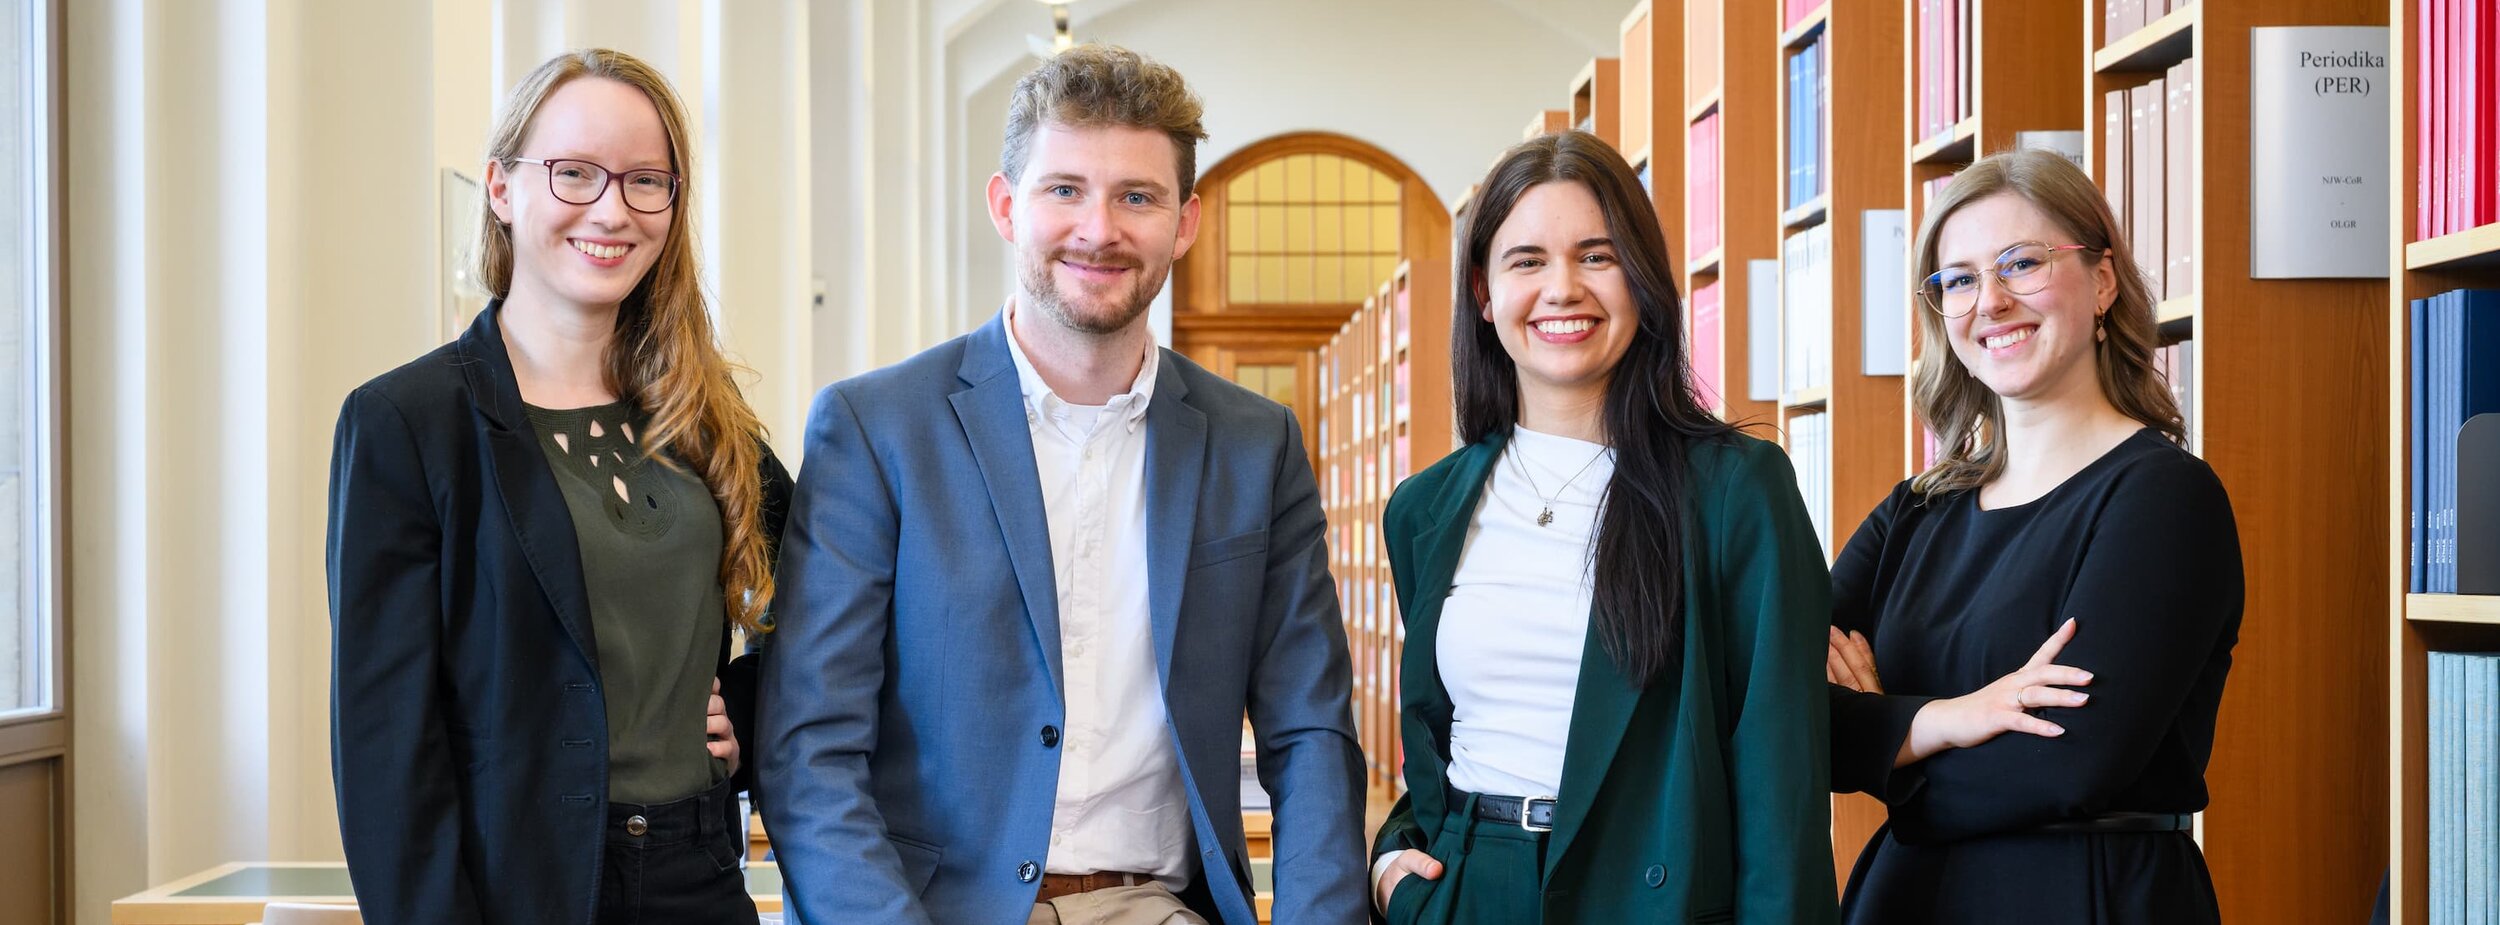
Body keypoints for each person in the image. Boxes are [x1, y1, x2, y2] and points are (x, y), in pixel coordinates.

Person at [754, 44, 1368, 925]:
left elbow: (1310, 730)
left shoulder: (1255, 444)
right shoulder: (877, 429)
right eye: (1065, 189)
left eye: (1138, 197)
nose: (1099, 228)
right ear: (1007, 207)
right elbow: (809, 745)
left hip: (1155, 905)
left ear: (1185, 222)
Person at [327, 48, 787, 925]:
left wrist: (756, 717)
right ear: (502, 188)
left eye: (646, 180)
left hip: (700, 877)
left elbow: (833, 588)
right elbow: (387, 751)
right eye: (574, 173)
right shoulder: (408, 421)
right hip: (524, 890)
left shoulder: (701, 412)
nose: (612, 209)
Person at [1367, 130, 1837, 924]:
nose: (1562, 289)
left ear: (1642, 280)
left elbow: (1779, 787)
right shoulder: (1425, 507)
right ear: (1484, 293)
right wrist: (1393, 867)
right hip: (1471, 890)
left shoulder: (1736, 492)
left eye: (1596, 255)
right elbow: (1441, 741)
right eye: (1527, 261)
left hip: (1651, 894)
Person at [1822, 148, 2242, 924]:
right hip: (1907, 899)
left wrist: (1889, 748)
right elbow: (1786, 711)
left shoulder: (2164, 497)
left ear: (2103, 281)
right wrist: (1948, 717)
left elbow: (2073, 760)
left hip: (2086, 896)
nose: (1992, 301)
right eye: (1960, 279)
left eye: (2022, 263)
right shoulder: (1916, 511)